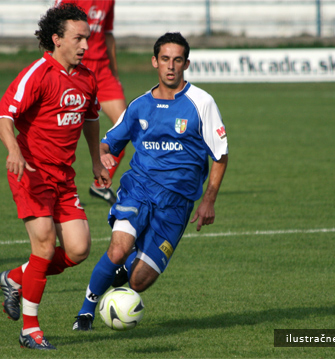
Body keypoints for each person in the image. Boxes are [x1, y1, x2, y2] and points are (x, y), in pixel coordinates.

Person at [72, 32, 229, 331]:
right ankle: (86, 313)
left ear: (186, 63)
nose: (171, 66)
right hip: (138, 190)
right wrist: (102, 156)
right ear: (154, 62)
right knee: (117, 249)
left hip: (177, 203)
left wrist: (208, 200)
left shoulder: (201, 102)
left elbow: (220, 155)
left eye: (178, 60)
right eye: (165, 59)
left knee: (139, 280)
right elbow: (108, 142)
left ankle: (119, 275)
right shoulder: (140, 105)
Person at [0, 3, 111, 349]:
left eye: (87, 39)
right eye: (78, 39)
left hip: (63, 178)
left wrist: (96, 160)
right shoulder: (38, 74)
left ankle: (15, 278)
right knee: (44, 244)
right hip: (30, 173)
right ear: (57, 39)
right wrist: (14, 150)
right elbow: (3, 115)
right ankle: (30, 329)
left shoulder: (87, 78)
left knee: (78, 250)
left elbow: (91, 120)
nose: (86, 46)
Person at [55, 0, 127, 205]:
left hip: (103, 72)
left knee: (126, 126)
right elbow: (55, 30)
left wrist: (115, 74)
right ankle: (59, 189)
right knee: (63, 129)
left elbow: (108, 35)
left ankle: (101, 182)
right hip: (77, 68)